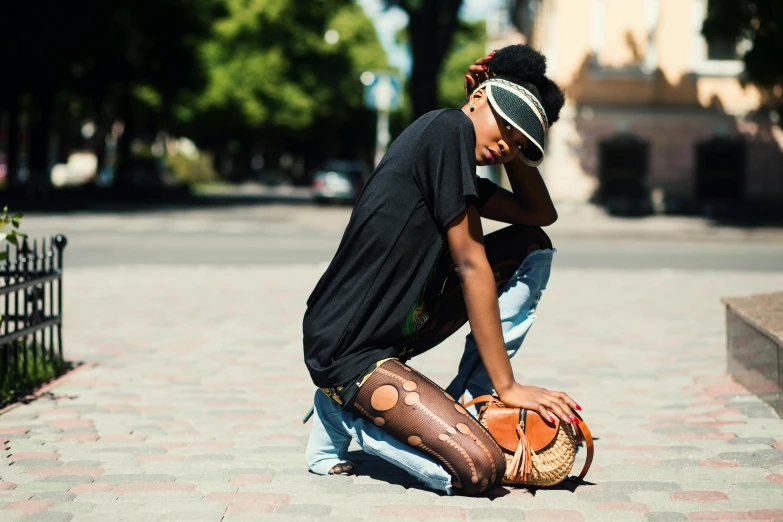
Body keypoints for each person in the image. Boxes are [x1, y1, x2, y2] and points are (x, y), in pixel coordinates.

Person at [302, 45, 581, 496]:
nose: (507, 145)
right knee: (478, 468)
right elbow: (471, 264)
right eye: (506, 128)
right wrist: (510, 386)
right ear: (477, 97)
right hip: (346, 348)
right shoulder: (446, 129)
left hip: (399, 332)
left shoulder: (457, 164)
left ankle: (475, 393)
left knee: (529, 246)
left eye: (520, 144)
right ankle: (340, 411)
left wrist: (511, 149)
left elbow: (538, 214)